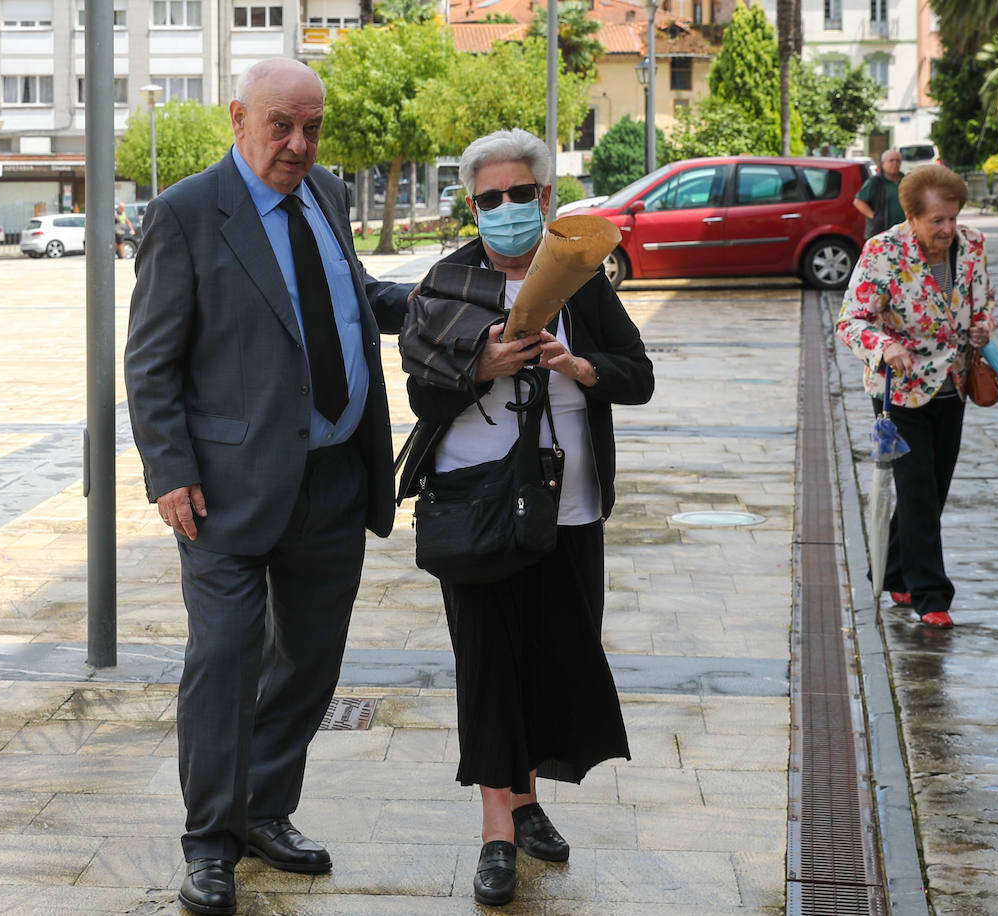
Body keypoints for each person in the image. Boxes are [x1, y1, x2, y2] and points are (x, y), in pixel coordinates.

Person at [123, 58, 413, 916]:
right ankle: (209, 841)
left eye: (312, 127)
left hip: (331, 478)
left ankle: (265, 809)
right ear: (238, 117)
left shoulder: (327, 194)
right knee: (222, 661)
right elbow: (150, 363)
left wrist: (441, 298)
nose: (299, 144)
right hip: (223, 491)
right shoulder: (184, 215)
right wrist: (168, 471)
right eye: (282, 125)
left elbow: (345, 297)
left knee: (311, 661)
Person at [399, 129, 654, 907]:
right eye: (488, 199)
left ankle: (528, 797)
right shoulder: (447, 283)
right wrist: (480, 366)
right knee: (487, 664)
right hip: (475, 506)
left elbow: (637, 377)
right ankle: (496, 836)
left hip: (569, 506)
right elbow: (421, 395)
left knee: (550, 655)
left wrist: (578, 367)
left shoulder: (583, 280)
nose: (505, 209)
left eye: (519, 195)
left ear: (546, 198)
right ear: (471, 207)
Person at [836, 164, 995, 630]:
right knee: (919, 491)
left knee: (934, 488)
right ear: (910, 216)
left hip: (954, 384)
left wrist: (984, 325)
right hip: (899, 392)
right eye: (937, 221)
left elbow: (983, 303)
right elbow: (851, 321)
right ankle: (931, 595)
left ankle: (892, 572)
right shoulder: (883, 251)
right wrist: (885, 346)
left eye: (953, 217)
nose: (948, 229)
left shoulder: (973, 246)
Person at [853, 148, 905, 240]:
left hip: (903, 232)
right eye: (891, 161)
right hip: (881, 232)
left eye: (898, 161)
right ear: (883, 163)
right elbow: (858, 201)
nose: (895, 163)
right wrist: (874, 217)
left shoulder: (906, 181)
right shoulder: (875, 182)